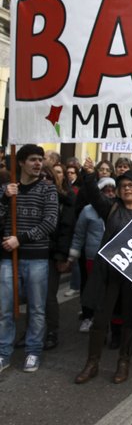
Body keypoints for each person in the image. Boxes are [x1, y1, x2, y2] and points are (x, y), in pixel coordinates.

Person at [74, 170, 132, 385]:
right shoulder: (111, 208)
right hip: (110, 275)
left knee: (130, 320)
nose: (127, 189)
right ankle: (91, 363)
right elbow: (93, 194)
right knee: (101, 319)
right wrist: (88, 173)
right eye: (123, 185)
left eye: (131, 185)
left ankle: (123, 362)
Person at [0, 144, 58, 374]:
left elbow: (49, 222)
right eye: (33, 159)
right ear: (21, 162)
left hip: (36, 258)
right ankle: (3, 352)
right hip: (7, 258)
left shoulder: (48, 189)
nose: (38, 164)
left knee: (36, 307)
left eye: (40, 159)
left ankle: (33, 350)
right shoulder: (6, 189)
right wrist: (5, 199)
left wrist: (20, 239)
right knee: (4, 308)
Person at [68, 177, 115, 334]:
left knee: (108, 290)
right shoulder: (87, 210)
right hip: (91, 257)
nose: (109, 194)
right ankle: (88, 317)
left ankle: (106, 320)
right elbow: (79, 234)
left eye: (112, 191)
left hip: (111, 258)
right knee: (90, 288)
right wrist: (73, 253)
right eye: (105, 191)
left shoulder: (117, 208)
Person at [42, 163, 77, 351]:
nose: (45, 181)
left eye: (52, 176)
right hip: (34, 253)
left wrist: (62, 256)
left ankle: (51, 332)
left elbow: (66, 228)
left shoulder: (66, 198)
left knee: (48, 296)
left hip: (52, 253)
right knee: (33, 297)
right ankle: (33, 330)